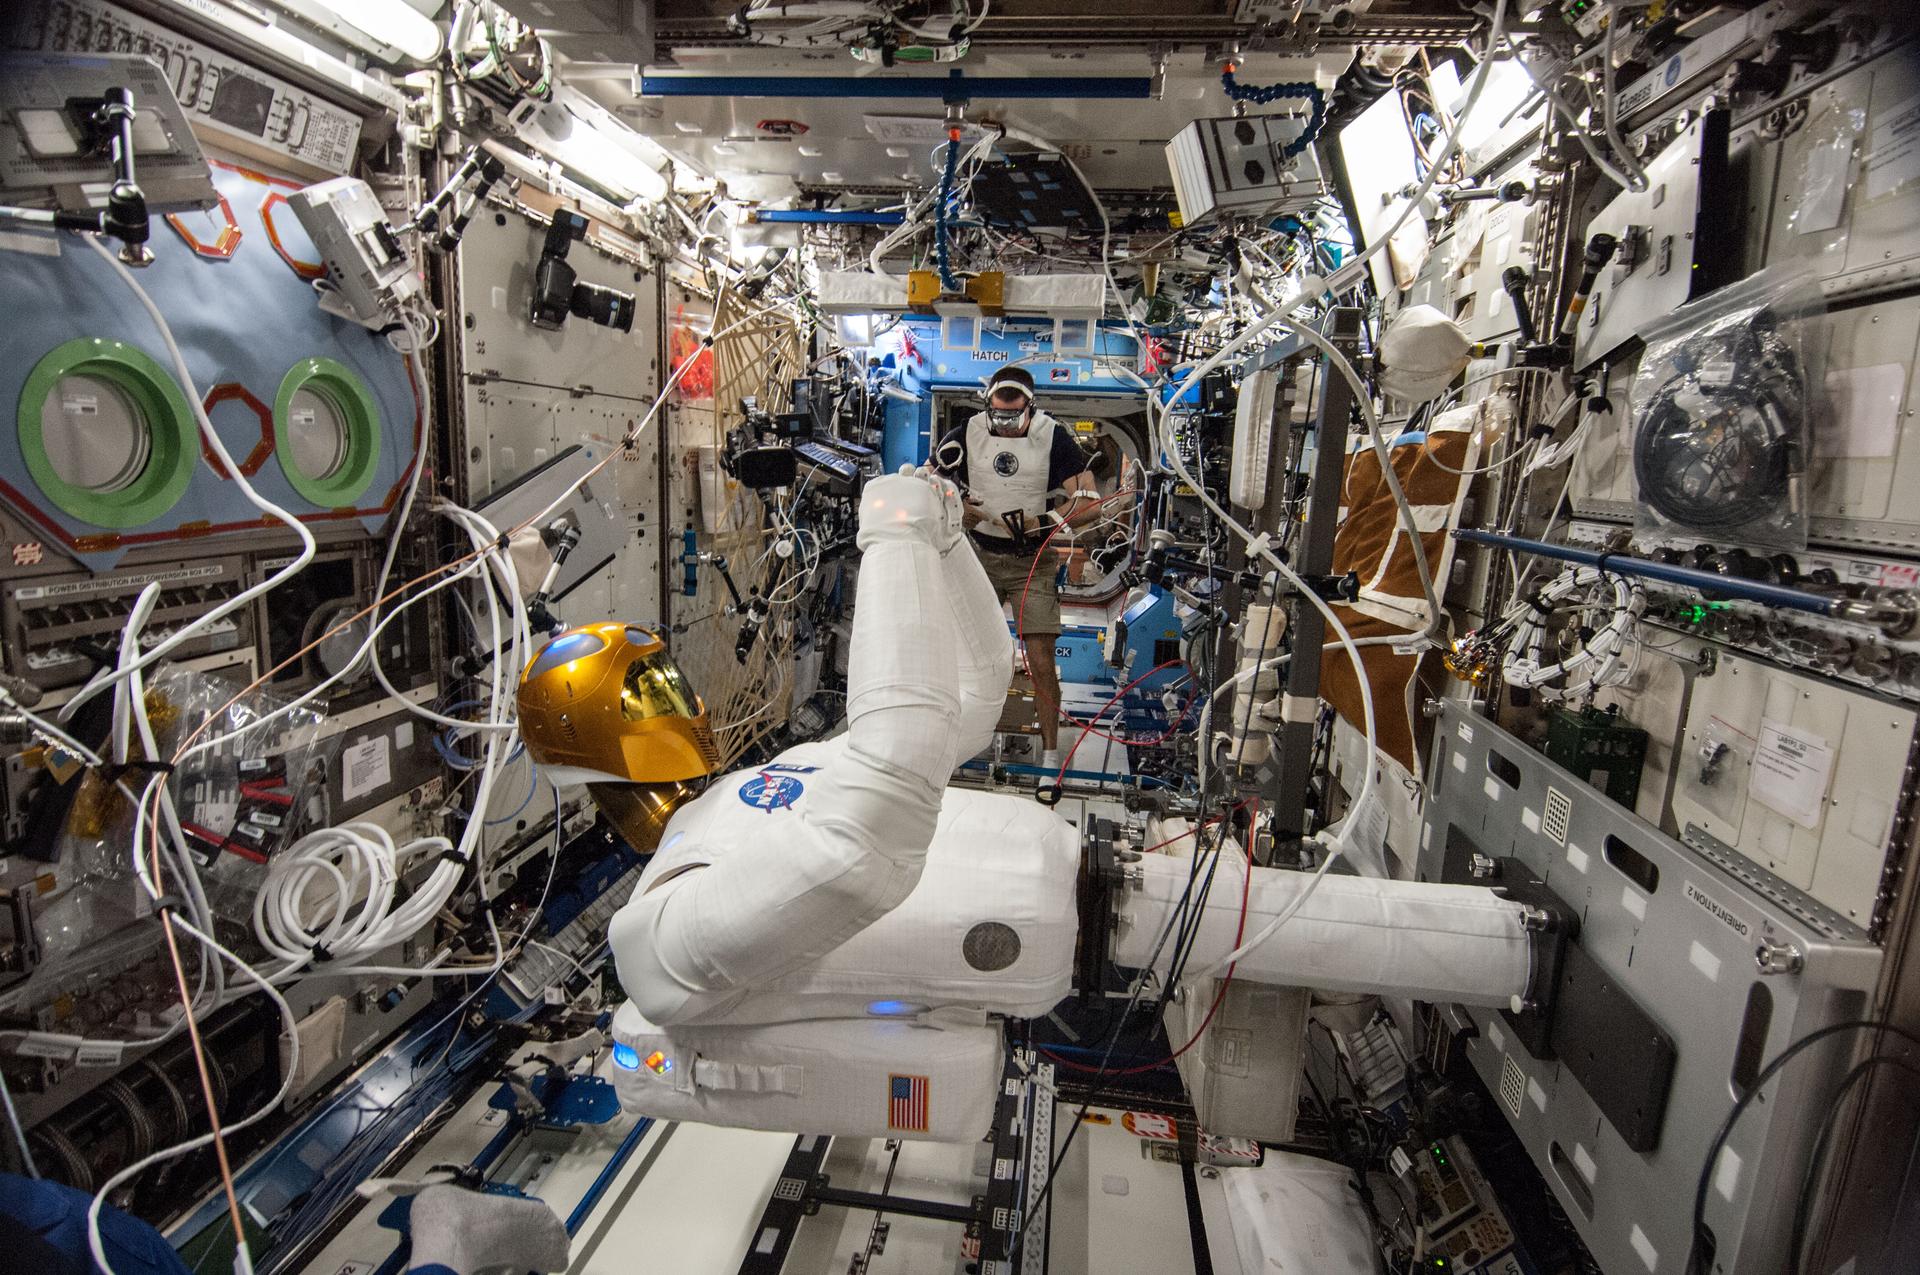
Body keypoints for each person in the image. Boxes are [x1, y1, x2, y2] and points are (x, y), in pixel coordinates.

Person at [934, 366, 1102, 785]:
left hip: (1033, 560)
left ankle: (1048, 759)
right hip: (980, 556)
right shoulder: (965, 433)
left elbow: (1090, 505)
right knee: (954, 655)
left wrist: (1043, 521)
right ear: (986, 406)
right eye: (997, 416)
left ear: (1030, 408)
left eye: (1013, 417)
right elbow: (929, 486)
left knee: (1042, 661)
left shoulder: (1053, 436)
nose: (1003, 425)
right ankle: (950, 744)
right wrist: (959, 508)